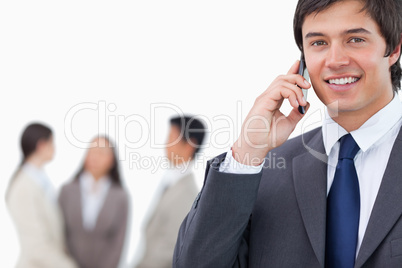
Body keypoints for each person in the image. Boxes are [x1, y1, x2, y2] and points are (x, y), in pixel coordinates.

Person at [173, 0, 402, 267]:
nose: (336, 60)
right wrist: (247, 152)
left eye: (355, 39)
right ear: (303, 60)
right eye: (319, 43)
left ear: (394, 48)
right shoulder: (263, 172)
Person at [136, 115, 206, 268]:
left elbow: (171, 251)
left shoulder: (187, 194)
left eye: (171, 138)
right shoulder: (171, 183)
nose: (166, 145)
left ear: (189, 146)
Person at [5, 123, 77, 268]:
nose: (55, 148)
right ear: (41, 145)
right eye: (52, 143)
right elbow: (36, 246)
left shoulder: (39, 179)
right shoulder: (23, 187)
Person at [58, 136, 129, 268]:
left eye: (102, 153)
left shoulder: (120, 197)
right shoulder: (67, 191)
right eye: (92, 151)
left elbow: (118, 241)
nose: (95, 157)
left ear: (112, 160)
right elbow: (59, 233)